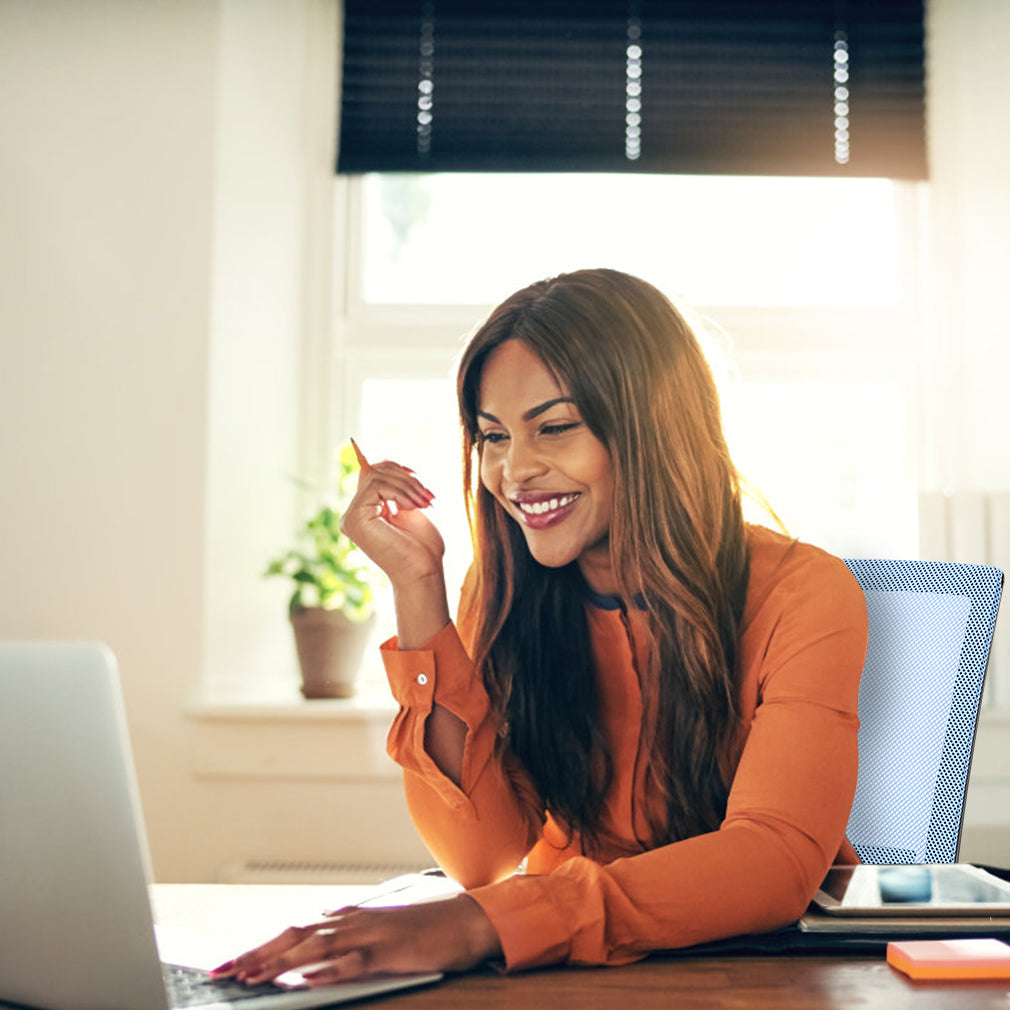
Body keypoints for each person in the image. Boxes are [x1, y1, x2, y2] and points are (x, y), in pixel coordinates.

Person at [212, 268, 869, 987]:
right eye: (492, 437)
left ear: (653, 427)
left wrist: (484, 923)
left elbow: (771, 859)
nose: (513, 470)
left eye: (553, 428)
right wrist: (417, 587)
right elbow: (480, 856)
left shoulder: (802, 592)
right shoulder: (503, 589)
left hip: (751, 975)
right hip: (562, 970)